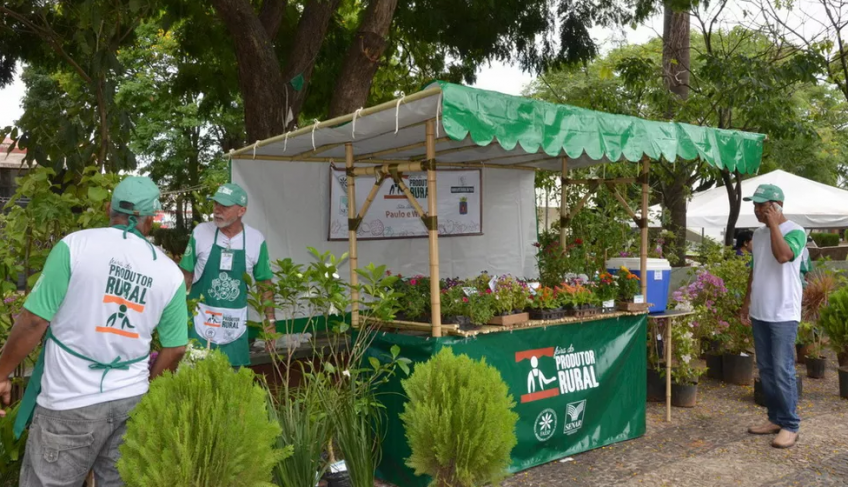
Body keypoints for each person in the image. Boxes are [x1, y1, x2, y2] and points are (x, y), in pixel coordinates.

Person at [0, 177, 188, 486]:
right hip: (131, 401)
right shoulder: (170, 273)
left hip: (68, 402)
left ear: (108, 208)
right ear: (151, 218)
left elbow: (34, 320)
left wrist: (2, 373)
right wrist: (147, 394)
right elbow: (176, 348)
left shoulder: (75, 246)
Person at [180, 183, 276, 367]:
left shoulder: (256, 240)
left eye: (224, 206)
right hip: (199, 322)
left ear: (241, 211)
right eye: (215, 204)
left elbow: (265, 284)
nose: (217, 210)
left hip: (234, 326)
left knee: (232, 380)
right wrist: (174, 316)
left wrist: (270, 323)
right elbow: (185, 277)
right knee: (195, 379)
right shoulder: (200, 232)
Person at [740, 184, 804, 449]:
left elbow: (782, 256)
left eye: (762, 206)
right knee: (766, 370)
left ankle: (790, 425)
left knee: (782, 370)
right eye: (755, 205)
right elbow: (756, 270)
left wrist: (775, 224)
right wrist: (746, 303)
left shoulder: (796, 231)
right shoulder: (758, 233)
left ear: (776, 206)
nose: (756, 210)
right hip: (760, 312)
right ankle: (774, 419)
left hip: (784, 313)